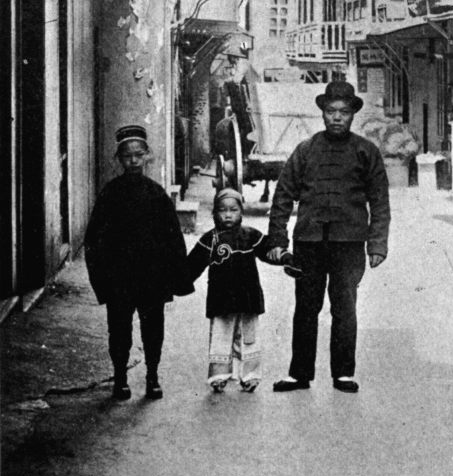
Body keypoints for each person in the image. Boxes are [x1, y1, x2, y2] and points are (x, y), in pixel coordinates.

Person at [267, 80, 390, 394]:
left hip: (349, 244)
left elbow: (379, 201)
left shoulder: (366, 152)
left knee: (344, 308)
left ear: (352, 115)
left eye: (343, 112)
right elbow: (283, 195)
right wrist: (278, 240)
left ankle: (344, 373)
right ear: (322, 113)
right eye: (331, 111)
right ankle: (299, 374)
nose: (337, 117)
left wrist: (377, 244)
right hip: (308, 243)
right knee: (306, 308)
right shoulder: (306, 150)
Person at [85, 125, 192, 401]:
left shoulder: (157, 194)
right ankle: (120, 378)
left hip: (151, 277)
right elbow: (94, 240)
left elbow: (173, 238)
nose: (133, 161)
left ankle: (152, 376)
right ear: (118, 159)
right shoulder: (110, 194)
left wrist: (174, 278)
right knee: (119, 330)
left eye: (138, 155)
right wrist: (102, 282)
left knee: (153, 329)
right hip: (119, 278)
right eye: (127, 156)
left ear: (147, 156)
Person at [186, 187, 300, 393]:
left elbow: (268, 250)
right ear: (214, 213)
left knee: (249, 338)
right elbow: (192, 265)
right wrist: (176, 281)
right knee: (220, 336)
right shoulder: (210, 240)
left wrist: (285, 257)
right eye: (222, 210)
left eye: (233, 210)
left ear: (241, 212)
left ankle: (250, 377)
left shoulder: (250, 235)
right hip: (221, 298)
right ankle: (219, 376)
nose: (228, 215)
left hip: (248, 297)